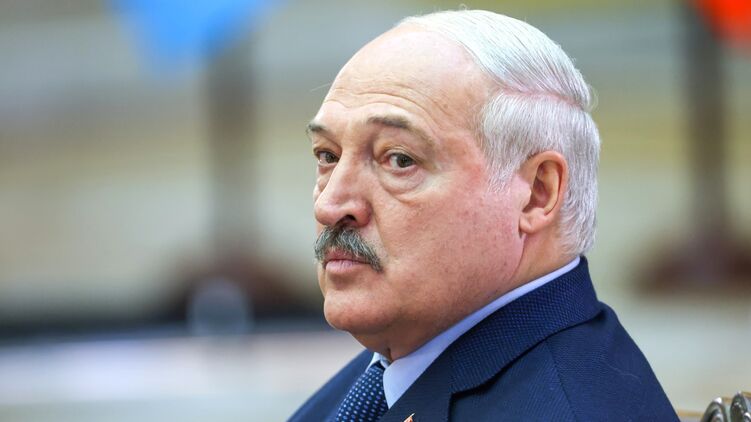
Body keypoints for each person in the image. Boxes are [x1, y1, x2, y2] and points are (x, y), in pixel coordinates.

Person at [291, 9, 677, 422]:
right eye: (327, 156)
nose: (329, 205)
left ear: (537, 194)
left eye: (400, 160)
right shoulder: (400, 364)